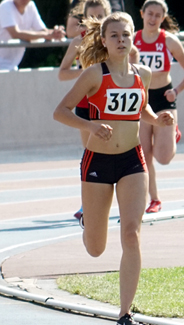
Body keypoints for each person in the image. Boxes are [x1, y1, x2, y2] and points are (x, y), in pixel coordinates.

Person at [54, 12, 174, 325]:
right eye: (115, 35)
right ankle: (89, 224)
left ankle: (124, 315)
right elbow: (60, 111)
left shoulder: (143, 74)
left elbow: (141, 108)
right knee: (96, 248)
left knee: (131, 232)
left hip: (132, 161)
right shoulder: (94, 74)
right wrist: (89, 125)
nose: (121, 40)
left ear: (133, 37)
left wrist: (156, 119)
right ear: (104, 41)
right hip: (98, 162)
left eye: (126, 35)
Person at [59, 0, 139, 220]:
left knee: (122, 148)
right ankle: (89, 204)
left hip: (114, 103)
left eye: (100, 15)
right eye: (91, 16)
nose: (96, 20)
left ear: (108, 14)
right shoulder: (78, 41)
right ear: (84, 18)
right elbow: (62, 73)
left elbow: (135, 60)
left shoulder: (117, 39)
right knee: (92, 151)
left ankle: (128, 201)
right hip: (87, 104)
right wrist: (87, 76)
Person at [134, 0, 184, 213]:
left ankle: (173, 132)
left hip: (164, 97)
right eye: (149, 14)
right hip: (142, 100)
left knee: (163, 158)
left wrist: (176, 91)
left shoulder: (169, 41)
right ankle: (154, 199)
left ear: (163, 18)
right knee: (143, 153)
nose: (152, 19)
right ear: (142, 14)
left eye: (157, 15)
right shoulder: (132, 41)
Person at [0, 0, 65, 71]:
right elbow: (15, 33)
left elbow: (43, 31)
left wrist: (55, 33)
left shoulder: (31, 6)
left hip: (12, 66)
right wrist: (47, 35)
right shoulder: (5, 6)